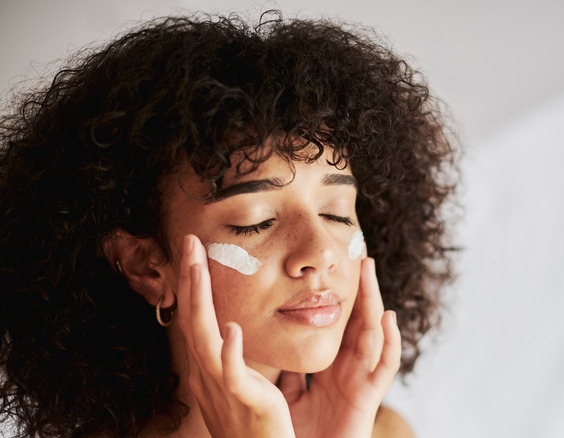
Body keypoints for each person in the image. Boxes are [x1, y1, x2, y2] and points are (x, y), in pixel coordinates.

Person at [0, 11, 457, 438]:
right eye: (255, 223)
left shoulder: (379, 430)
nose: (321, 252)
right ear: (146, 265)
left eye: (337, 212)